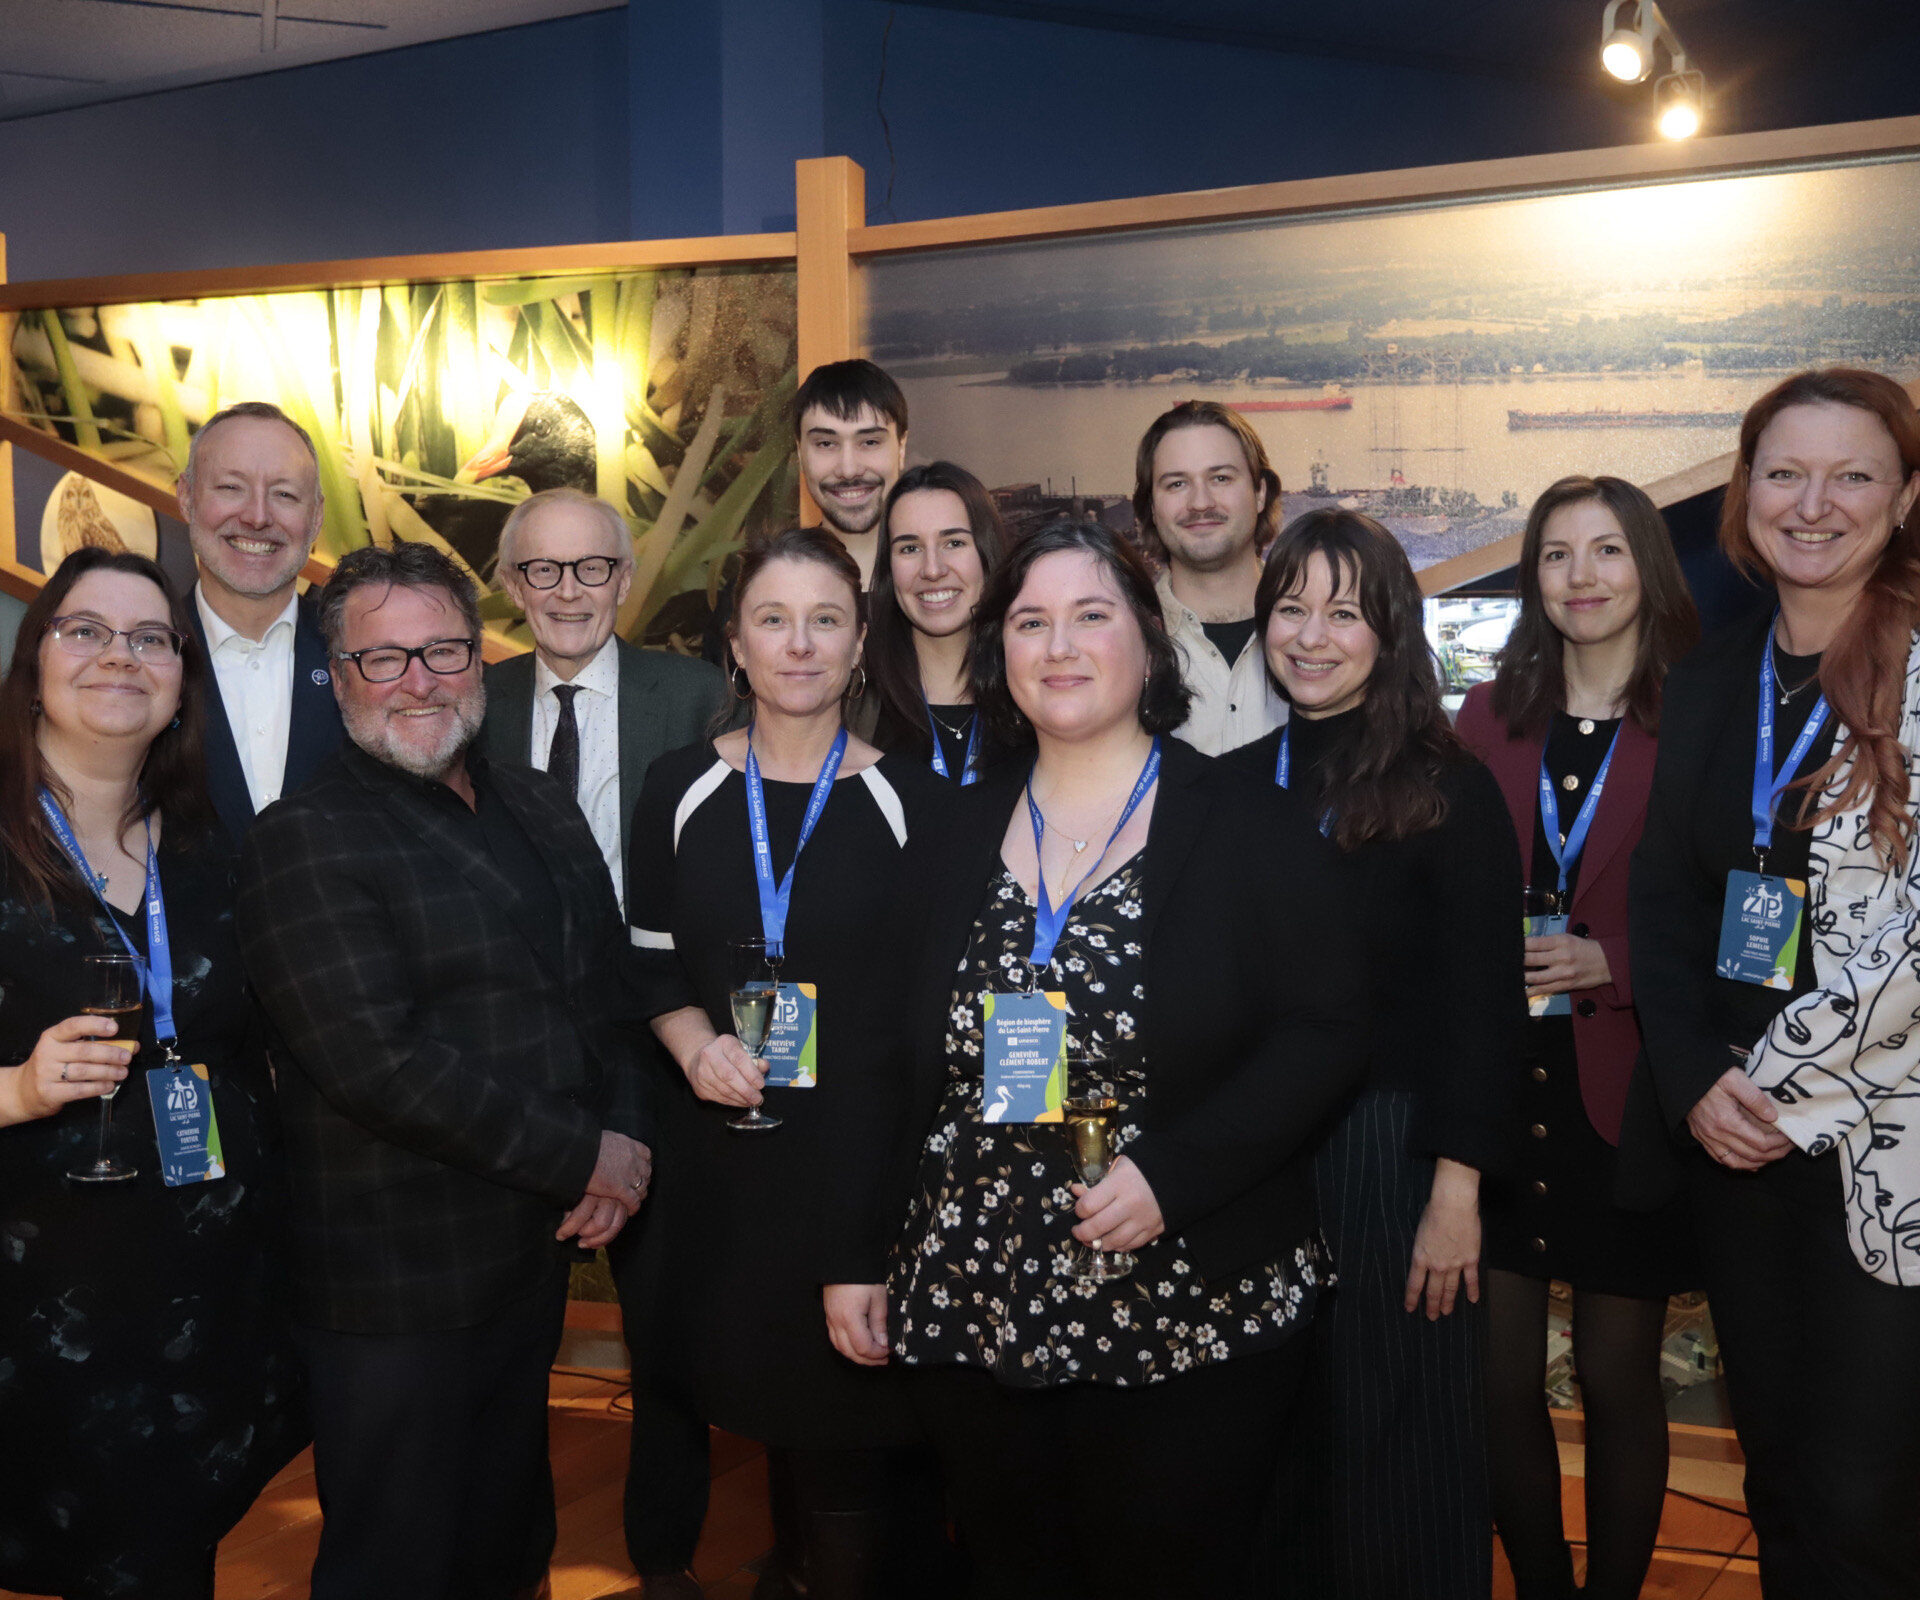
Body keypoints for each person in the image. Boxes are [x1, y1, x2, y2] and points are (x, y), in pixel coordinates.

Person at [854, 517, 1365, 1599]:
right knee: (1014, 1571)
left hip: (1185, 1286)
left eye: (1091, 615)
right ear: (998, 652)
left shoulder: (1250, 825)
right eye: (1029, 622)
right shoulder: (947, 833)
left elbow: (1327, 1031)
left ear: (1147, 638)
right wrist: (853, 1251)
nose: (1059, 646)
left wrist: (1178, 1173)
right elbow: (883, 1062)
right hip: (974, 1289)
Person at [236, 541, 654, 1600]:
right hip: (393, 1282)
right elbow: (376, 1062)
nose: (418, 681)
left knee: (507, 1540)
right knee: (396, 1560)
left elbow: (609, 995)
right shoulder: (303, 838)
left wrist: (623, 1138)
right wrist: (583, 1154)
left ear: (480, 657)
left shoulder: (541, 804)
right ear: (338, 679)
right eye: (383, 658)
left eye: (443, 650)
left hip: (531, 1253)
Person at [1629, 367, 1920, 1597]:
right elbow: (1660, 900)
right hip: (1736, 1136)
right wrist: (1695, 1076)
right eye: (1784, 472)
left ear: (1905, 498)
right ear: (1745, 492)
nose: (1813, 503)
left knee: (1868, 1494)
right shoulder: (1711, 672)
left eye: (1852, 475)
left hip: (1883, 1144)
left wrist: (1774, 1083)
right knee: (1782, 1478)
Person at [626, 526, 947, 1600]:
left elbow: (924, 1025)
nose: (799, 644)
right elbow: (646, 961)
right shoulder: (677, 787)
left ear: (860, 645)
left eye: (825, 621)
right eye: (774, 619)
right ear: (736, 643)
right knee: (765, 1405)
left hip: (860, 1169)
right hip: (725, 1165)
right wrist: (694, 1046)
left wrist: (884, 1224)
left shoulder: (916, 805)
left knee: (848, 1426)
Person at [1226, 508, 1524, 1599]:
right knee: (1273, 1435)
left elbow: (1484, 1008)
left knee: (1400, 1439)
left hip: (1390, 1157)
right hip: (1249, 1157)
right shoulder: (1227, 786)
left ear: (1391, 630)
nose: (1311, 636)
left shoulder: (1449, 789)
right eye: (1291, 608)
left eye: (1343, 612)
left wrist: (1456, 1192)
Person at [0, 548, 305, 1598]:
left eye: (149, 638)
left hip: (205, 1287)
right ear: (35, 661)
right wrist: (17, 1088)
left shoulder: (216, 846)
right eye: (85, 630)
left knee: (172, 1555)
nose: (119, 656)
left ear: (180, 682)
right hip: (40, 1299)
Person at [1455, 476, 1699, 1600]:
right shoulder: (1485, 717)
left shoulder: (1701, 717)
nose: (1582, 576)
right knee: (1495, 1381)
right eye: (1557, 554)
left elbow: (1756, 909)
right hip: (1501, 1087)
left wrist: (1617, 963)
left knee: (1615, 1377)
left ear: (1649, 565)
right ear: (1533, 578)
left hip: (1628, 1087)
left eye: (1607, 551)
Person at [480, 486, 726, 914]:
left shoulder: (702, 698)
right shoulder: (475, 706)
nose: (568, 591)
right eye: (544, 570)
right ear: (514, 587)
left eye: (591, 569)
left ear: (623, 581)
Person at [176, 400, 345, 840]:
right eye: (231, 488)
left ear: (316, 517)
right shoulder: (139, 657)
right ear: (186, 498)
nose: (256, 516)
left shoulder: (362, 658)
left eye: (284, 495)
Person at [703, 359, 909, 667]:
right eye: (826, 443)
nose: (848, 468)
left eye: (869, 442)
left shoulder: (939, 588)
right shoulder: (751, 595)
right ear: (800, 453)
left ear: (901, 447)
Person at [1132, 399, 1289, 754]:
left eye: (1220, 478)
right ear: (1151, 507)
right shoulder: (1123, 642)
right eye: (1176, 484)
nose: (1200, 503)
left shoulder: (1321, 636)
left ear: (1260, 492)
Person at [867, 461, 1013, 782]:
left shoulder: (1032, 699)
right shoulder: (859, 709)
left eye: (954, 543)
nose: (932, 569)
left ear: (986, 551)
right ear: (889, 568)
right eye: (910, 548)